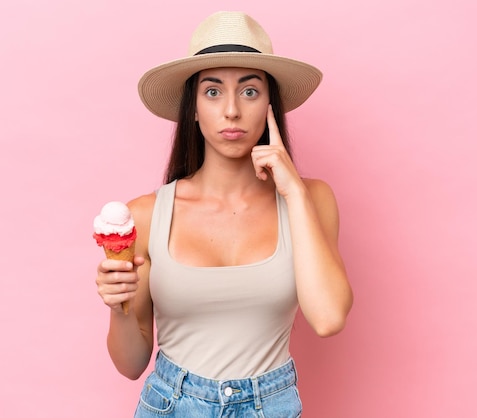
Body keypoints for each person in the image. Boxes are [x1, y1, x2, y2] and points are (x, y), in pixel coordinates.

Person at [95, 11, 353, 417]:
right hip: (171, 405)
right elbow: (130, 365)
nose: (231, 110)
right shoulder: (145, 215)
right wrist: (118, 306)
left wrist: (293, 193)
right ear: (193, 109)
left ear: (271, 103)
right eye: (212, 92)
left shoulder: (312, 199)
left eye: (249, 92)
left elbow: (328, 317)